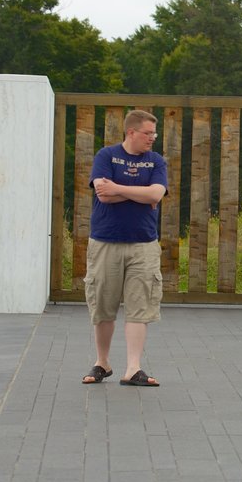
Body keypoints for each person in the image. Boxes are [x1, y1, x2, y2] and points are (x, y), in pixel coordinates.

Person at [81, 109, 167, 387]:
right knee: (103, 305)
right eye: (148, 133)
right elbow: (102, 195)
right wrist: (139, 194)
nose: (152, 138)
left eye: (154, 133)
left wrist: (120, 188)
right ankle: (102, 362)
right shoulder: (106, 156)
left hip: (144, 245)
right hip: (105, 242)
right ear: (131, 132)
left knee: (139, 307)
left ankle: (132, 368)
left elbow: (156, 194)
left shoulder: (156, 161)